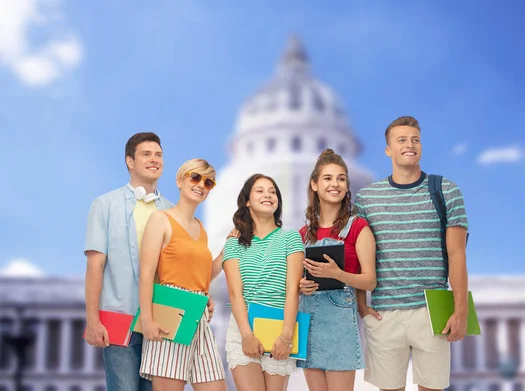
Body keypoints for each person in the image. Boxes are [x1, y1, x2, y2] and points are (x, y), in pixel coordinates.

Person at [355, 116, 469, 391]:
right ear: (388, 150)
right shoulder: (366, 198)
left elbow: (457, 256)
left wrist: (461, 310)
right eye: (402, 140)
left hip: (432, 310)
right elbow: (358, 256)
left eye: (415, 139)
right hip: (384, 312)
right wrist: (361, 304)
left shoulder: (446, 190)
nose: (410, 145)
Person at [84, 132, 173, 390]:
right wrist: (92, 318)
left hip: (161, 321)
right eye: (146, 154)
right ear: (130, 162)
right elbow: (95, 266)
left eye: (158, 155)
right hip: (119, 317)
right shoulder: (104, 205)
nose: (154, 160)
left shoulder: (170, 210)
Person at [137, 158, 228, 391]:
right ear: (180, 180)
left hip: (198, 315)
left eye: (208, 182)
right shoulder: (160, 220)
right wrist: (147, 319)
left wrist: (227, 250)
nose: (201, 185)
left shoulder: (201, 229)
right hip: (171, 310)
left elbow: (203, 274)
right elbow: (147, 273)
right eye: (195, 177)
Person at [297, 149, 377, 391]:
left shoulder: (358, 227)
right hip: (308, 321)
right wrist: (301, 285)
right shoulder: (303, 234)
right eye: (328, 178)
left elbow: (370, 281)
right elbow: (295, 280)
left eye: (341, 178)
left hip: (340, 322)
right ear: (314, 184)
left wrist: (337, 274)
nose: (335, 184)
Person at [222, 174, 305, 391]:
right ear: (247, 201)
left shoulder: (291, 238)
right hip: (243, 328)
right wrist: (247, 335)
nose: (268, 195)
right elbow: (235, 293)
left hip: (281, 327)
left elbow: (292, 290)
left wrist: (286, 336)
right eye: (260, 190)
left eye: (272, 191)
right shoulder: (233, 244)